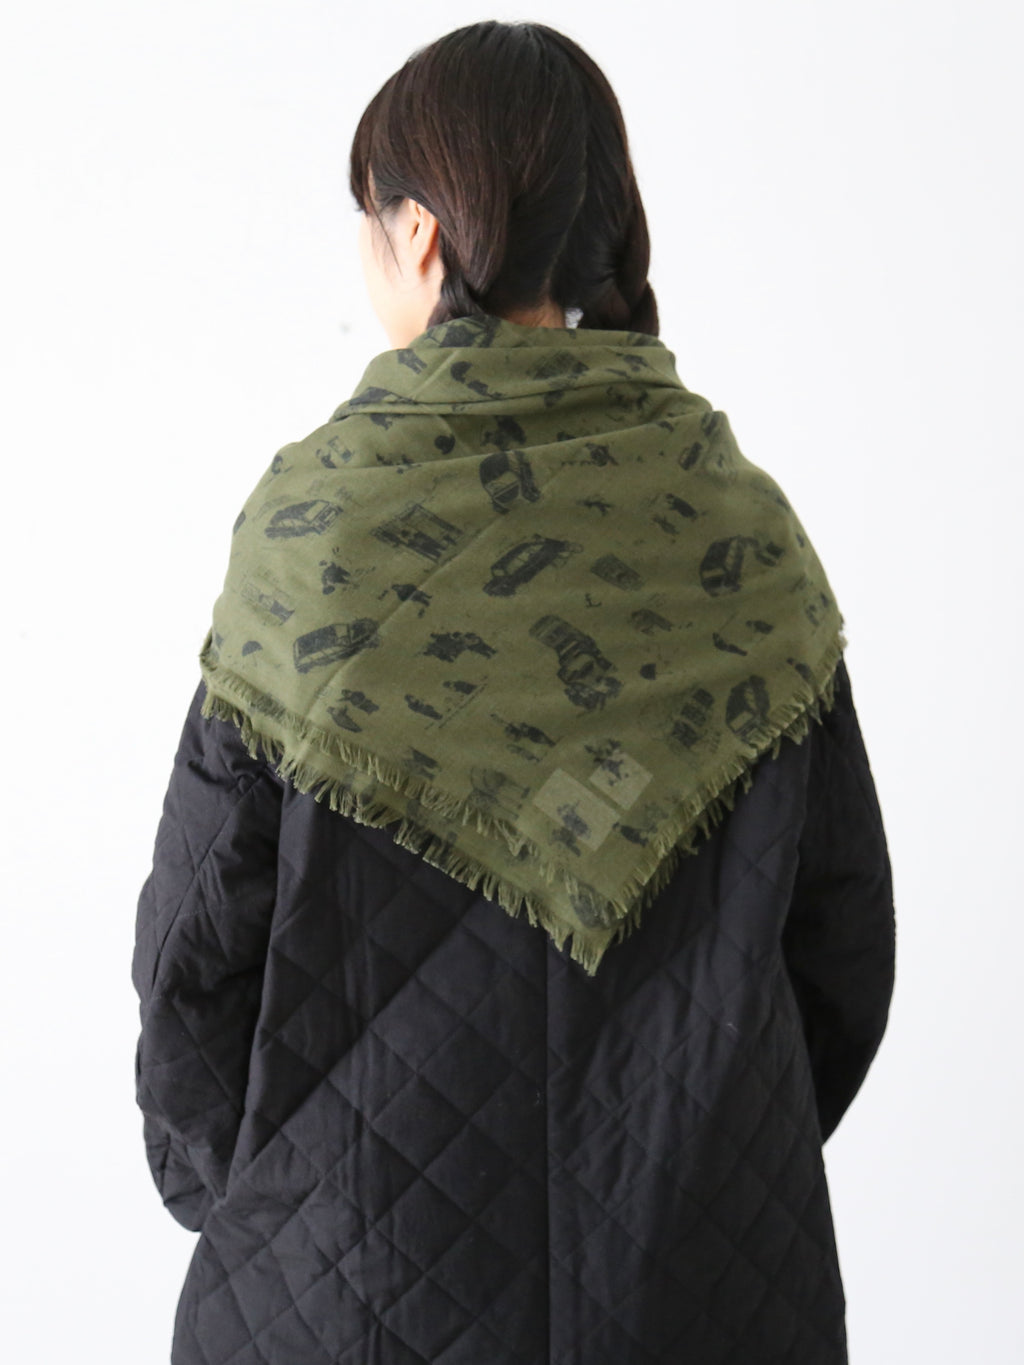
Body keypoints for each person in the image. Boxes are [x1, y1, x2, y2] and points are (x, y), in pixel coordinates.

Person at [131, 20, 896, 1365]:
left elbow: (197, 956)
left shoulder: (320, 531)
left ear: (422, 237)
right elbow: (841, 943)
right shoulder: (739, 532)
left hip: (338, 1302)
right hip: (703, 1305)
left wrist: (268, 1204)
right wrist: (715, 1176)